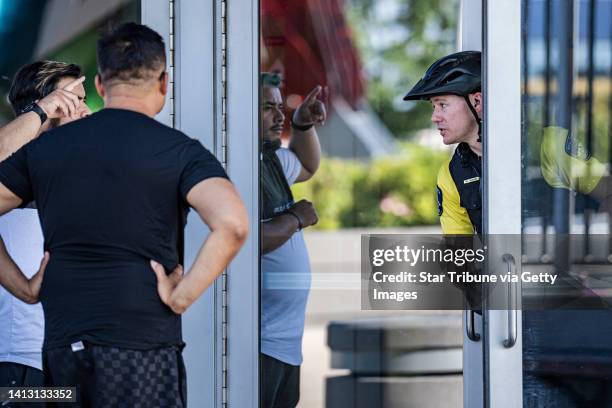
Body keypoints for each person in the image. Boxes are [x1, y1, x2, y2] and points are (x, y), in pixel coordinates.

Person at [0, 22, 248, 407]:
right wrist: (182, 296)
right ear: (163, 83)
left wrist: (26, 287)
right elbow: (232, 224)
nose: (81, 108)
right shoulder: (177, 151)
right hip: (135, 354)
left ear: (101, 84)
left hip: (62, 355)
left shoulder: (47, 156)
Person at [0, 60, 88, 403]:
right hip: (21, 360)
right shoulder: (18, 163)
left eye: (83, 99)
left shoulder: (76, 164)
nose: (84, 109)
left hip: (74, 357)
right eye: (73, 100)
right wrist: (41, 111)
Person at [260, 72, 325, 408]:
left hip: (285, 341)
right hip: (260, 342)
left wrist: (301, 125)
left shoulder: (270, 160)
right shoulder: (238, 165)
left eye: (279, 106)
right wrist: (296, 218)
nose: (278, 114)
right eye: (267, 107)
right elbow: (247, 238)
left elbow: (307, 165)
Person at [403, 51, 482, 235]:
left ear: (477, 101)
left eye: (443, 105)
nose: (434, 117)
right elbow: (460, 255)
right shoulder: (451, 174)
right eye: (433, 106)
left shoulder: (544, 146)